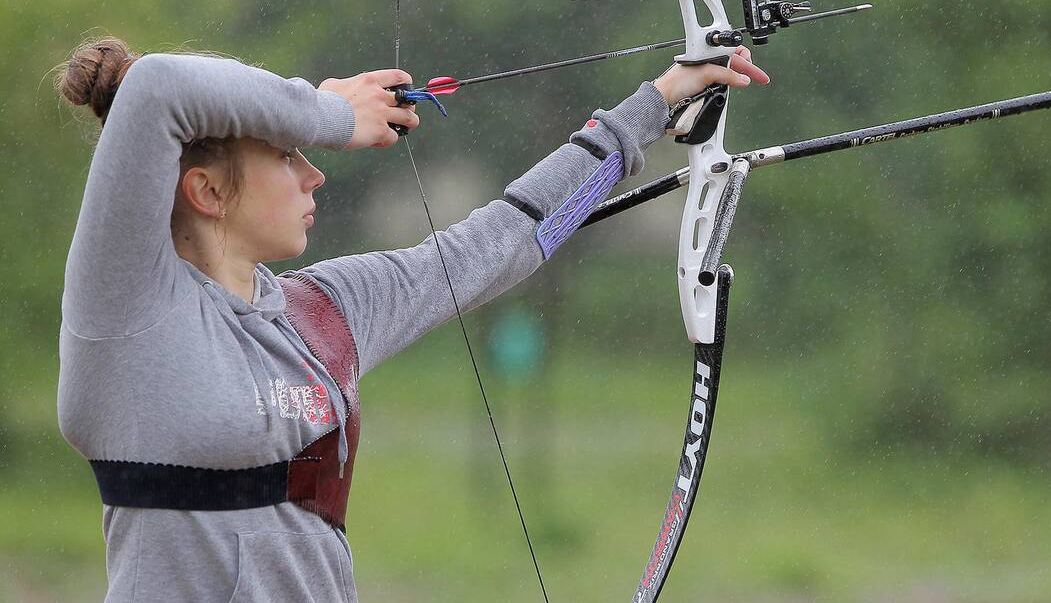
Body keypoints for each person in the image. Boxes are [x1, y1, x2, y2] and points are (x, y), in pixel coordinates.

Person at [55, 36, 769, 602]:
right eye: (286, 153)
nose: (315, 173)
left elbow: (500, 242)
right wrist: (331, 112)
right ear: (207, 190)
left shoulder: (323, 311)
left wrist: (660, 99)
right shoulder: (126, 315)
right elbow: (158, 89)